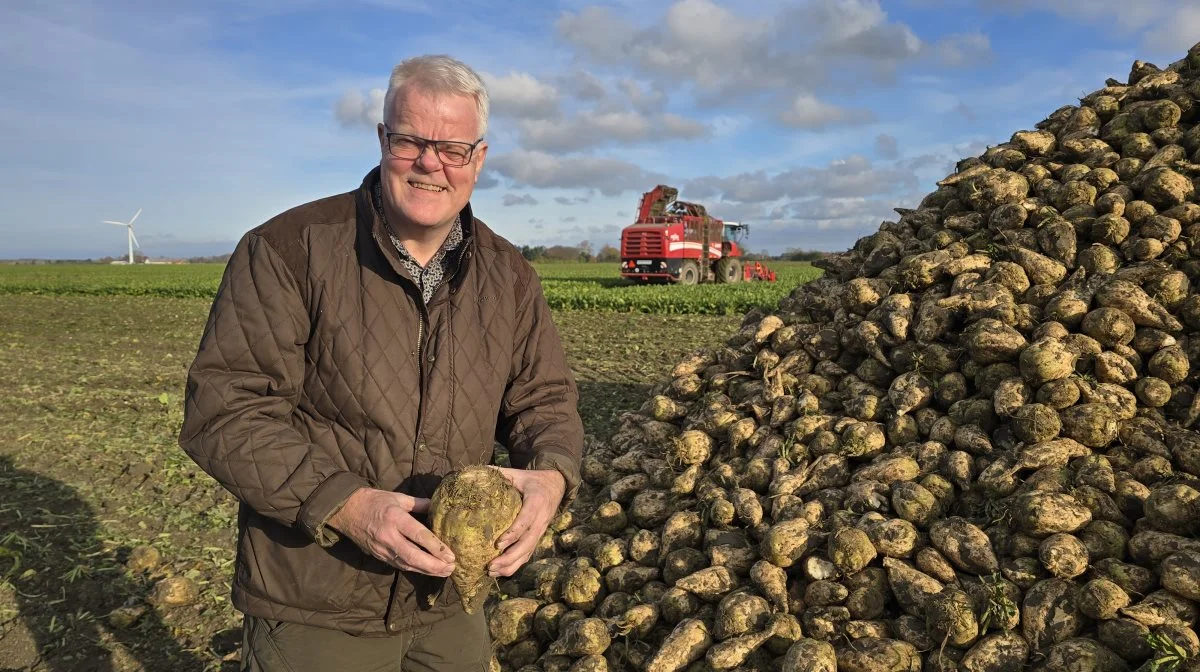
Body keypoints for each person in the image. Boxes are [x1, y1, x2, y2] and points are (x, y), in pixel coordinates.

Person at [179, 54, 584, 671]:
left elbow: (545, 402)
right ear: (380, 140)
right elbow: (227, 411)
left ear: (478, 158)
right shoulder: (289, 250)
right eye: (409, 141)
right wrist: (344, 505)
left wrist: (552, 476)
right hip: (317, 596)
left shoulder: (510, 276)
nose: (430, 163)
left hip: (449, 598)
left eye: (452, 147)